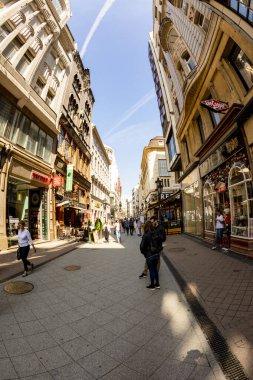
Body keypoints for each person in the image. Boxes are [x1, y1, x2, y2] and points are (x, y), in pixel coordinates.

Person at [140, 221, 160, 290]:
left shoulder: (145, 235)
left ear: (146, 226)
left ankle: (152, 285)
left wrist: (144, 253)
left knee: (151, 270)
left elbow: (142, 246)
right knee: (155, 270)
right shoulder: (155, 232)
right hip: (156, 254)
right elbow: (160, 242)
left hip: (149, 255)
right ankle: (157, 284)